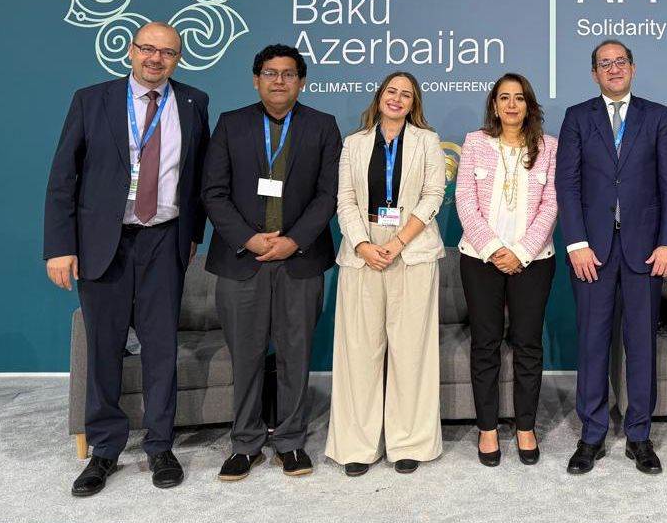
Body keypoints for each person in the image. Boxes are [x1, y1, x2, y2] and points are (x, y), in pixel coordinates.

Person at [44, 21, 209, 496]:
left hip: (165, 241)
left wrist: (193, 235)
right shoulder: (91, 100)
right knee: (104, 348)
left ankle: (160, 445)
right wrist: (59, 246)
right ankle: (105, 449)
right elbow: (64, 177)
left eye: (168, 52)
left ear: (178, 59)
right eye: (148, 49)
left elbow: (197, 176)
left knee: (160, 348)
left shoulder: (194, 102)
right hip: (104, 242)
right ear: (131, 51)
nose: (156, 59)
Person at [201, 44, 341, 481]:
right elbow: (213, 192)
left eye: (288, 73)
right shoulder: (231, 124)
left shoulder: (322, 126)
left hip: (299, 258)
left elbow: (329, 195)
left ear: (301, 82)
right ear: (256, 79)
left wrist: (293, 241)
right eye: (270, 73)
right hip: (243, 257)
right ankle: (244, 443)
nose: (279, 81)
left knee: (296, 355)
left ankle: (290, 441)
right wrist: (249, 238)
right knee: (245, 356)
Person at [557, 40, 667, 475]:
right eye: (604, 64)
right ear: (594, 73)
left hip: (646, 251)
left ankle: (639, 436)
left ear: (632, 67)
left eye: (620, 62)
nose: (613, 69)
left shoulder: (657, 116)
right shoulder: (577, 117)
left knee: (641, 345)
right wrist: (575, 243)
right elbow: (567, 184)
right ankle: (591, 435)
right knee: (592, 344)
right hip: (591, 252)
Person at [325, 71, 446, 476]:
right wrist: (362, 244)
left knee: (411, 351)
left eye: (406, 95)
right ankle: (357, 445)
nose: (397, 99)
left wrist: (397, 243)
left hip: (412, 249)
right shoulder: (354, 143)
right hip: (362, 251)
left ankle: (409, 441)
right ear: (379, 97)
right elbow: (344, 200)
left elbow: (433, 195)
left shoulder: (427, 141)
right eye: (391, 91)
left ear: (414, 104)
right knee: (359, 351)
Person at [456, 73, 558, 467]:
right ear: (494, 106)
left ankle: (525, 427)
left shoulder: (549, 147)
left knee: (528, 344)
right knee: (485, 344)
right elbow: (465, 200)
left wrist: (520, 252)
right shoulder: (475, 143)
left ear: (529, 105)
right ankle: (487, 428)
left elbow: (551, 205)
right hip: (480, 258)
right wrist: (495, 249)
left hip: (533, 260)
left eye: (519, 98)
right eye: (504, 98)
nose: (511, 105)